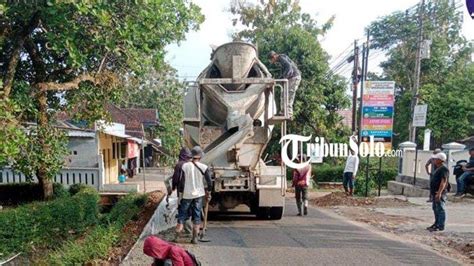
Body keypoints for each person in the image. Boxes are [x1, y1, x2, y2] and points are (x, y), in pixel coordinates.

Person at [175, 146, 212, 244]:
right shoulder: (204, 167)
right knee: (197, 216)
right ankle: (195, 238)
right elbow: (209, 182)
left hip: (187, 195)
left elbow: (182, 182)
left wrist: (181, 193)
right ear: (200, 157)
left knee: (182, 215)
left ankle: (177, 237)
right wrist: (209, 192)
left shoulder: (185, 166)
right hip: (198, 195)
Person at [268, 51, 301, 118]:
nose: (272, 62)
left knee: (288, 95)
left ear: (274, 57)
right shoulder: (281, 60)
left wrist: (284, 78)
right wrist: (279, 79)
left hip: (294, 77)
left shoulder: (281, 58)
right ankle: (283, 112)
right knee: (283, 95)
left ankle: (288, 113)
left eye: (271, 60)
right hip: (291, 78)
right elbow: (285, 71)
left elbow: (289, 67)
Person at [427, 152, 449, 232]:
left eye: (436, 159)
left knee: (440, 208)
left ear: (440, 160)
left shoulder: (444, 169)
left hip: (439, 192)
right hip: (435, 192)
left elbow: (443, 181)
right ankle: (436, 223)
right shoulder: (438, 168)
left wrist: (439, 193)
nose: (434, 160)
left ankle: (440, 225)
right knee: (435, 208)